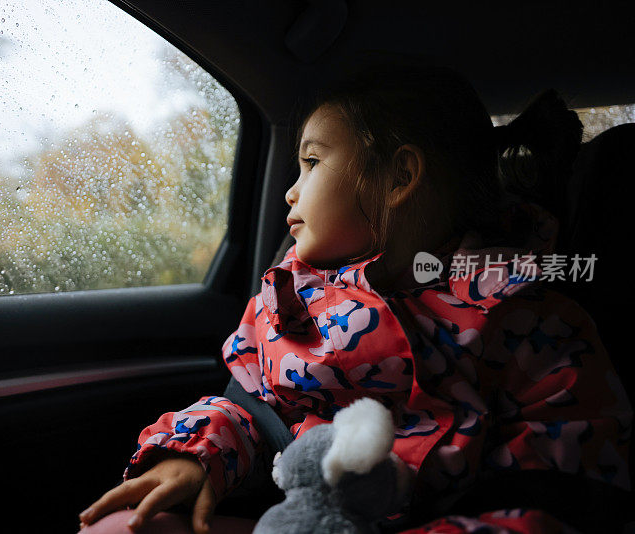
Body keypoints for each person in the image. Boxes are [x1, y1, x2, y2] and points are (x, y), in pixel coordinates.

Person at [77, 64, 632, 534]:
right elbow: (252, 408)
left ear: (400, 178)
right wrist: (198, 457)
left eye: (312, 163)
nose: (291, 191)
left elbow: (556, 488)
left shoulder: (530, 319)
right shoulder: (285, 302)